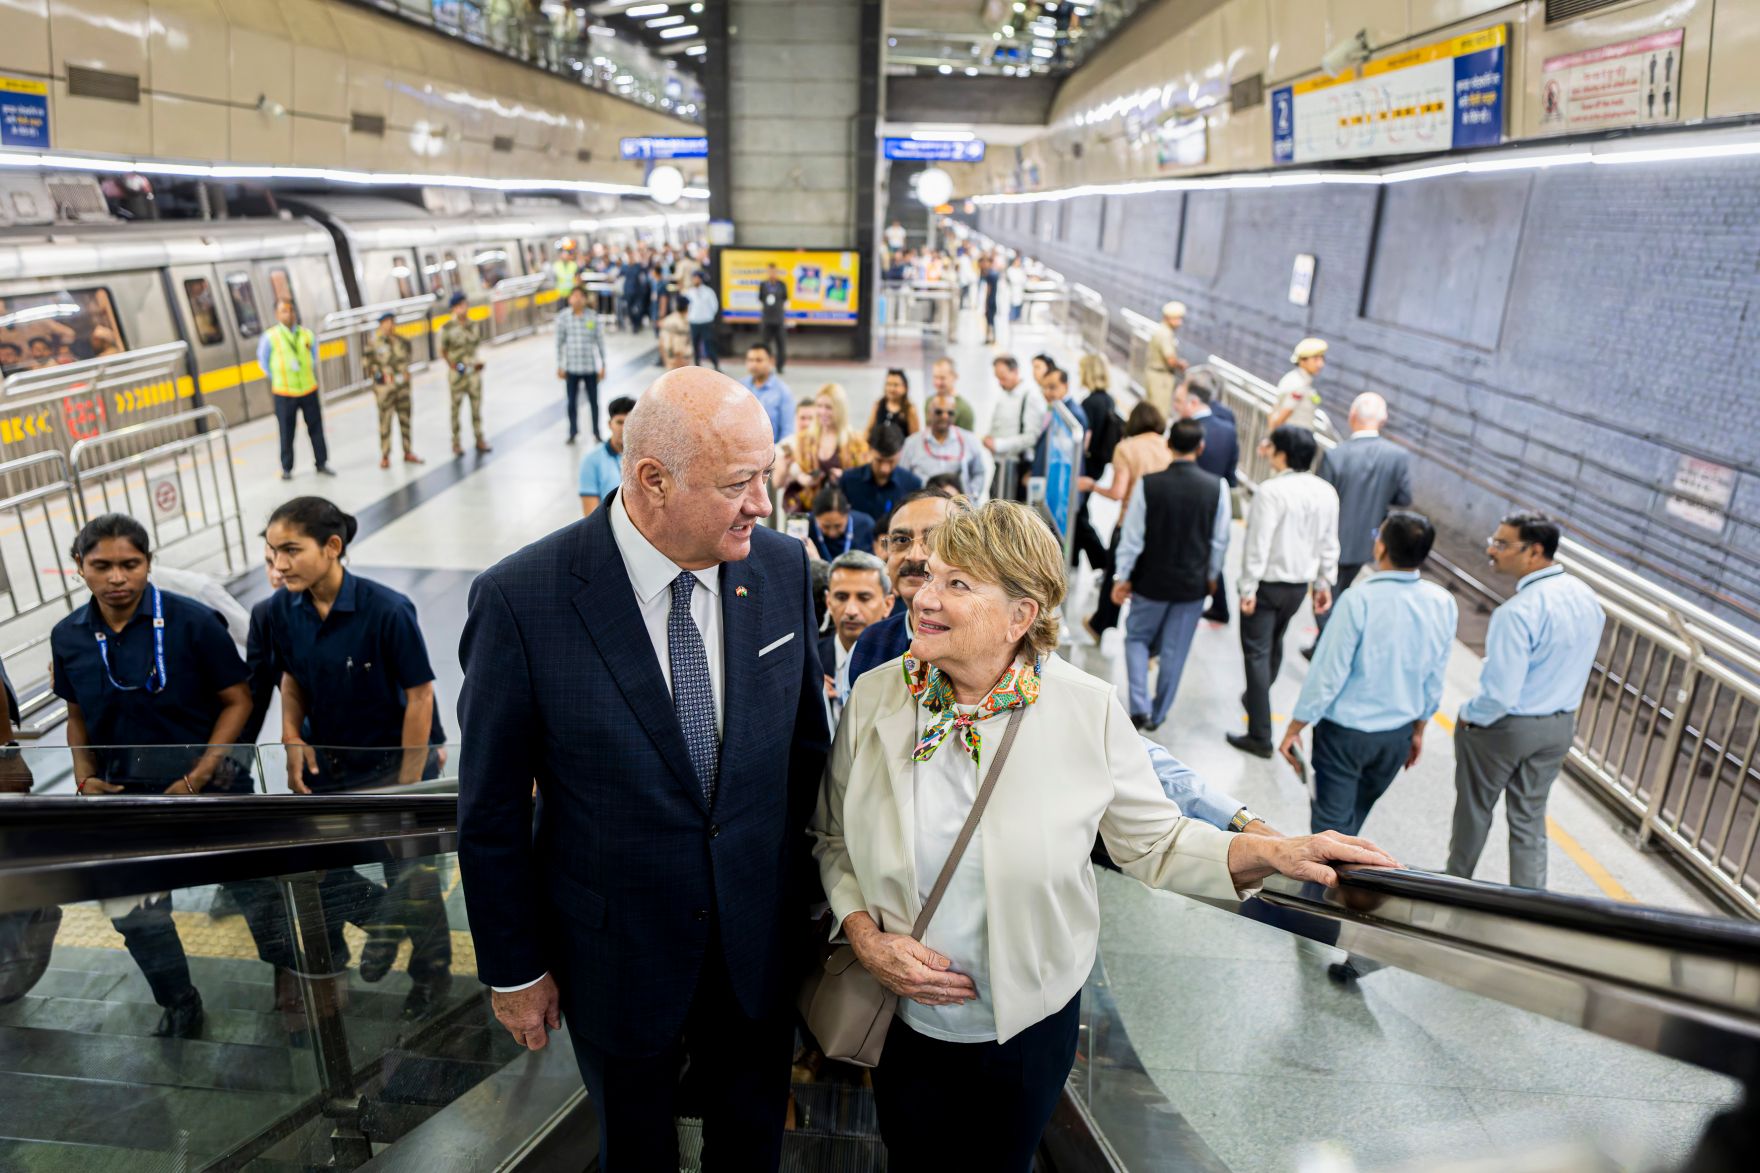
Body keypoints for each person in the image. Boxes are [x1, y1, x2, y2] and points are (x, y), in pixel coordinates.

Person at [812, 499, 1397, 1169]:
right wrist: (867, 937)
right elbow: (833, 837)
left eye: (957, 584)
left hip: (1026, 1028)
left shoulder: (1083, 709)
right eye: (929, 574)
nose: (924, 597)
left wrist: (1276, 850)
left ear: (1020, 615)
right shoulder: (879, 697)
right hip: (903, 1023)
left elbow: (1156, 842)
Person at [457, 368, 830, 1169]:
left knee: (752, 1141)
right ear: (652, 479)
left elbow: (808, 759)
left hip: (756, 949)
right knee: (634, 1151)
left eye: (765, 476)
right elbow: (488, 810)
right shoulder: (523, 601)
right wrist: (515, 967)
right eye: (739, 483)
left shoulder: (781, 570)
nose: (763, 504)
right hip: (613, 957)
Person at [52, 514, 255, 1037]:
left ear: (148, 563)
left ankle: (297, 976)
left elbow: (238, 700)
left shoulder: (190, 621)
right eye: (102, 566)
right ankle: (179, 999)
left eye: (130, 564)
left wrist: (203, 770)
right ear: (79, 568)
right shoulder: (69, 635)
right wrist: (84, 777)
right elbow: (77, 713)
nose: (117, 578)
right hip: (124, 794)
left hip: (209, 786)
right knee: (137, 915)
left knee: (258, 893)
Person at [267, 497, 454, 1019]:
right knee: (322, 868)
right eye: (272, 551)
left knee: (412, 878)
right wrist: (289, 736)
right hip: (331, 768)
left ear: (332, 547)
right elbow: (292, 680)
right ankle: (384, 923)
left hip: (398, 766)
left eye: (290, 550)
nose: (279, 565)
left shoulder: (386, 609)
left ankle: (431, 976)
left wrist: (408, 790)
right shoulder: (286, 609)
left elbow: (420, 696)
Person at [1447, 512, 1605, 890]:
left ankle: (1455, 884)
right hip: (1559, 725)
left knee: (1475, 810)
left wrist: (1469, 716)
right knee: (1530, 818)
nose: (1491, 549)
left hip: (1506, 730)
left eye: (1502, 544)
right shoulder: (1585, 596)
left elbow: (1500, 695)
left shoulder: (1516, 613)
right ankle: (1529, 901)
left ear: (1534, 552)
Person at [1279, 510, 1456, 840]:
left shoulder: (1358, 600)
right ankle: (1343, 886)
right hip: (1396, 736)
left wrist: (1295, 727)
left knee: (1329, 834)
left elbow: (1328, 672)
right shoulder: (1442, 603)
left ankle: (1320, 891)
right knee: (1354, 823)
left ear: (1382, 549)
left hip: (1344, 737)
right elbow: (1435, 675)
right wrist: (1418, 730)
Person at [1111, 419, 1230, 732]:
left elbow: (1133, 537)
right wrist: (1212, 576)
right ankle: (1159, 713)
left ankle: (1140, 707)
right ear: (1200, 447)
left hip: (1150, 580)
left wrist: (1122, 576)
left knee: (1136, 637)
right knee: (1175, 651)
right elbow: (1219, 541)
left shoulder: (1149, 485)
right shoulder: (1217, 488)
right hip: (1191, 585)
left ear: (1168, 445)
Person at [1230, 425, 1339, 759]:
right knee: (1274, 642)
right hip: (1297, 590)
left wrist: (1247, 587)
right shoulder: (1326, 492)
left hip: (1266, 586)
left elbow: (1257, 544)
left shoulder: (1271, 491)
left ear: (1283, 454)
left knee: (1256, 652)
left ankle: (1260, 734)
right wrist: (1323, 583)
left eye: (1272, 447)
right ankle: (1256, 699)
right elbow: (1328, 542)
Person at [1308, 392, 1413, 651]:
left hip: (1331, 540)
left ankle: (1330, 646)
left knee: (1323, 595)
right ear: (1383, 420)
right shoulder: (1397, 457)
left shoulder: (1336, 455)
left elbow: (1319, 499)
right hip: (1368, 540)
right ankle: (1326, 643)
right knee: (1341, 591)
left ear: (1352, 417)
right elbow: (1403, 497)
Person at [847, 488, 962, 680]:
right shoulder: (868, 644)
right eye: (901, 540)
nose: (914, 556)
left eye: (933, 539)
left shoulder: (986, 647)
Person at [1081, 404, 1172, 638]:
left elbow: (1118, 492)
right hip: (1160, 526)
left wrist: (1091, 485)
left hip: (1129, 523)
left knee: (1116, 572)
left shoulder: (1126, 448)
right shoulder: (1169, 447)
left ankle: (1101, 626)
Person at [1178, 369, 1241, 622]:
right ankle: (1219, 603)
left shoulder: (1189, 429)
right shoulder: (1228, 427)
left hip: (1193, 501)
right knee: (1215, 549)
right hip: (1219, 498)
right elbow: (1231, 467)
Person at [258, 299, 331, 482]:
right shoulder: (270, 337)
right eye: (284, 311)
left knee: (316, 429)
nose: (288, 314)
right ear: (277, 314)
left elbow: (313, 357)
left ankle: (321, 462)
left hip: (308, 389)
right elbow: (263, 362)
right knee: (286, 432)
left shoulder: (307, 335)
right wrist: (279, 377)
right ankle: (287, 467)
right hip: (284, 393)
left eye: (291, 310)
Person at [820, 550, 894, 724]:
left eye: (864, 598)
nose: (851, 610)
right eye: (841, 597)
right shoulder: (807, 664)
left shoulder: (908, 666)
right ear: (828, 602)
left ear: (888, 604)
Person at [362, 312, 422, 470]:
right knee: (385, 423)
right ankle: (385, 455)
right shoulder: (373, 344)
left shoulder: (402, 342)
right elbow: (367, 365)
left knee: (406, 421)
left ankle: (408, 451)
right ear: (381, 325)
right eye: (386, 322)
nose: (389, 325)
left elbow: (407, 359)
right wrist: (380, 380)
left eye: (392, 322)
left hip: (402, 390)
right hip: (385, 391)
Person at [982, 355, 1044, 503]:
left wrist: (999, 444)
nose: (1000, 383)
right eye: (997, 378)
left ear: (1015, 371)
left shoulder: (1030, 397)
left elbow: (1031, 437)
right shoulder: (1005, 393)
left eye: (1003, 378)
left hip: (1016, 467)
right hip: (1001, 463)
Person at [899, 392, 986, 497]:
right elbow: (902, 477)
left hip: (958, 506)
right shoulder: (911, 443)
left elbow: (979, 473)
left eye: (950, 413)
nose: (945, 416)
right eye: (939, 412)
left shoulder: (969, 440)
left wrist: (972, 495)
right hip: (923, 504)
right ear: (929, 414)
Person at [556, 285, 609, 445]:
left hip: (589, 368)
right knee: (571, 402)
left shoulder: (592, 317)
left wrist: (603, 365)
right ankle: (573, 431)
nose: (577, 299)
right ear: (569, 299)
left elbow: (600, 342)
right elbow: (559, 343)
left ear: (585, 299)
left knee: (594, 402)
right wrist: (560, 365)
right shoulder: (564, 317)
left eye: (581, 296)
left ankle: (596, 432)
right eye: (574, 296)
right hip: (572, 368)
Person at [440, 292, 491, 456]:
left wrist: (477, 362)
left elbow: (476, 345)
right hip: (457, 374)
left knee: (476, 408)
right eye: (461, 305)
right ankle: (456, 442)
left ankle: (479, 439)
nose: (465, 308)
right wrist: (453, 366)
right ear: (454, 308)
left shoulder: (473, 324)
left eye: (465, 304)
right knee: (455, 409)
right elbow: (443, 350)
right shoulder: (448, 328)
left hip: (473, 373)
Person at [841, 423, 922, 522]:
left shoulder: (912, 484)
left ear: (901, 452)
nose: (885, 469)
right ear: (870, 450)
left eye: (891, 461)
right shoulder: (848, 480)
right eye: (879, 460)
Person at [579, 396, 635, 518]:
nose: (624, 428)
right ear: (610, 424)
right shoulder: (592, 461)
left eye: (629, 422)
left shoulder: (645, 457)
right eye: (620, 422)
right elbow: (591, 516)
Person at [1269, 337, 1327, 432]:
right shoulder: (1299, 384)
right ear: (1302, 360)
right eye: (1316, 359)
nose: (1320, 364)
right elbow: (1280, 418)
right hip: (1294, 441)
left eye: (1322, 359)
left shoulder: (1294, 378)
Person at [737, 343, 791, 443]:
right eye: (750, 360)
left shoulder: (782, 391)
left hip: (772, 454)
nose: (754, 365)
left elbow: (788, 431)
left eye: (759, 360)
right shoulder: (739, 387)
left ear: (771, 361)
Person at [1143, 300, 1187, 417]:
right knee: (1158, 413)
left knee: (1149, 410)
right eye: (1177, 319)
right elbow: (1171, 360)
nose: (1180, 323)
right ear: (1168, 318)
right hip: (1161, 378)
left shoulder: (1160, 330)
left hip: (1153, 374)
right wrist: (1180, 364)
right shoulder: (1166, 334)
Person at [810, 487, 875, 563]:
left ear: (847, 513)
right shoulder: (806, 526)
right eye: (826, 526)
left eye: (838, 526)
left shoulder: (865, 525)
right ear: (816, 517)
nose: (832, 533)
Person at [868, 368, 920, 438]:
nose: (892, 389)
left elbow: (915, 439)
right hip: (876, 448)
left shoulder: (910, 410)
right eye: (888, 384)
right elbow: (869, 430)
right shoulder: (878, 405)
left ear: (905, 388)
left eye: (896, 385)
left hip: (901, 448)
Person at [684, 269, 720, 369]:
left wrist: (709, 316)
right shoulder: (689, 292)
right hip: (694, 322)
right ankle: (697, 366)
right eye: (693, 278)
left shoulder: (708, 291)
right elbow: (687, 307)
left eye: (696, 278)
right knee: (695, 345)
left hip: (706, 321)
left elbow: (714, 306)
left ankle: (715, 364)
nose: (695, 280)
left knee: (709, 344)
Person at [930, 357, 976, 432]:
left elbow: (968, 440)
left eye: (942, 378)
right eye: (935, 377)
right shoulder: (929, 402)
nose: (938, 382)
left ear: (955, 377)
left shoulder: (964, 409)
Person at [758, 263, 790, 371]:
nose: (772, 274)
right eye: (770, 271)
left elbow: (785, 298)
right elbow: (761, 298)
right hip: (767, 319)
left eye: (774, 271)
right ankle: (764, 365)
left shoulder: (781, 284)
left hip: (779, 319)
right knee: (764, 345)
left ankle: (780, 366)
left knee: (781, 344)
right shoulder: (763, 284)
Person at [621, 255, 652, 333]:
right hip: (629, 294)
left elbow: (643, 281)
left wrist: (642, 293)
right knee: (629, 310)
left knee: (638, 310)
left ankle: (637, 325)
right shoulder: (627, 268)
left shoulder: (639, 268)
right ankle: (634, 324)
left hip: (638, 294)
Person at [659, 303, 692, 369]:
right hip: (677, 351)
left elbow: (661, 340)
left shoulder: (668, 319)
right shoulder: (683, 322)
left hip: (669, 351)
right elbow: (680, 349)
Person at [981, 254, 1003, 344]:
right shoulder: (995, 273)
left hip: (990, 300)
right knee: (991, 320)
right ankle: (991, 337)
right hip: (994, 299)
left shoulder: (990, 275)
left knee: (990, 319)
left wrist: (985, 302)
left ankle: (990, 337)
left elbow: (988, 289)